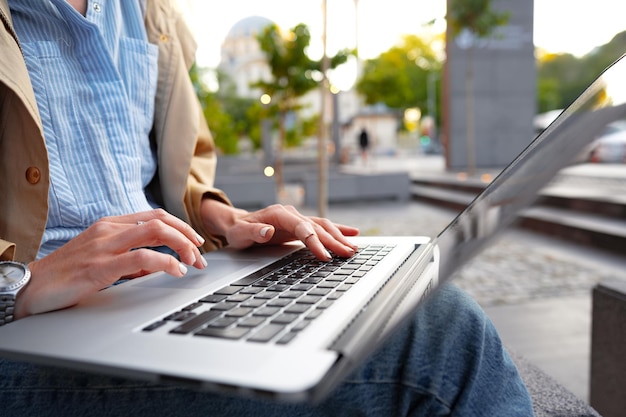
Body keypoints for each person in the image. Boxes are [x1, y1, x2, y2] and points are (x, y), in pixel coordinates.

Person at [0, 0, 535, 415]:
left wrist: (224, 220)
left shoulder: (148, 12)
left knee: (392, 294)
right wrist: (18, 284)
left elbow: (170, 166)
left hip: (161, 286)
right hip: (22, 330)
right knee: (439, 338)